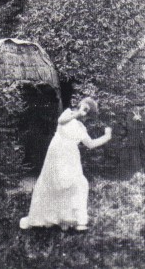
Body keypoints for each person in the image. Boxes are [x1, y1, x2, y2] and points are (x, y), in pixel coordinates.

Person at [19, 97, 112, 231]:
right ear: (80, 106)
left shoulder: (81, 127)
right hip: (56, 153)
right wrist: (79, 113)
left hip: (71, 156)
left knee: (77, 183)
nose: (85, 115)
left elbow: (90, 144)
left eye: (88, 114)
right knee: (54, 183)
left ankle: (75, 220)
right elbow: (60, 121)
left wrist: (106, 137)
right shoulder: (68, 113)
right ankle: (49, 217)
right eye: (85, 109)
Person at [126, 101, 145, 173]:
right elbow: (129, 127)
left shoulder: (143, 114)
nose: (138, 108)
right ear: (133, 107)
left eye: (139, 106)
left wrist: (140, 120)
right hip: (134, 138)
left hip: (143, 138)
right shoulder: (129, 115)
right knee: (135, 154)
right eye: (137, 106)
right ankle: (137, 172)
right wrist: (135, 121)